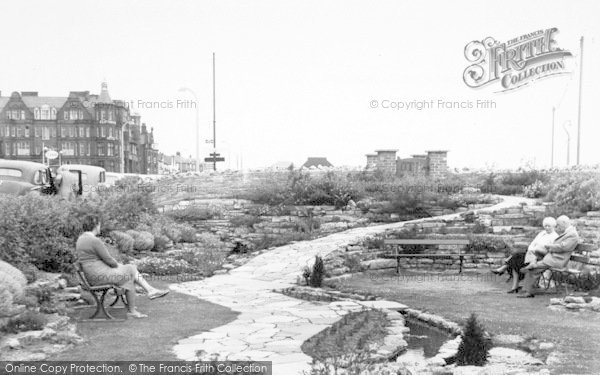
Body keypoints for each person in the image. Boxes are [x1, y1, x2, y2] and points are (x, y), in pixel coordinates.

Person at [76, 215, 169, 318]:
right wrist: (117, 265)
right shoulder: (94, 241)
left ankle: (150, 291)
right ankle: (137, 305)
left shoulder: (81, 239)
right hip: (99, 276)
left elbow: (98, 260)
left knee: (129, 269)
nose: (100, 227)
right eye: (99, 224)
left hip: (93, 275)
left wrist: (118, 266)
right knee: (129, 273)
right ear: (96, 225)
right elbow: (109, 260)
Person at [518, 215, 579, 298]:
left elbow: (563, 247)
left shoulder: (572, 234)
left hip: (558, 260)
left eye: (558, 224)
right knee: (534, 257)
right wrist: (550, 247)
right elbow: (561, 246)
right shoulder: (568, 232)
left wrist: (550, 246)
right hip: (553, 257)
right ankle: (532, 265)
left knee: (533, 269)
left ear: (564, 223)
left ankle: (528, 291)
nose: (557, 226)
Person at [492, 217, 558, 293]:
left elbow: (548, 251)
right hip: (531, 253)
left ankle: (503, 269)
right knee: (516, 258)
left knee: (516, 258)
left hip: (540, 257)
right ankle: (514, 286)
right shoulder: (542, 233)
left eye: (548, 226)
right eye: (545, 226)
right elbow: (533, 243)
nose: (546, 228)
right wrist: (531, 249)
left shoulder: (554, 237)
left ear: (553, 226)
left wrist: (534, 250)